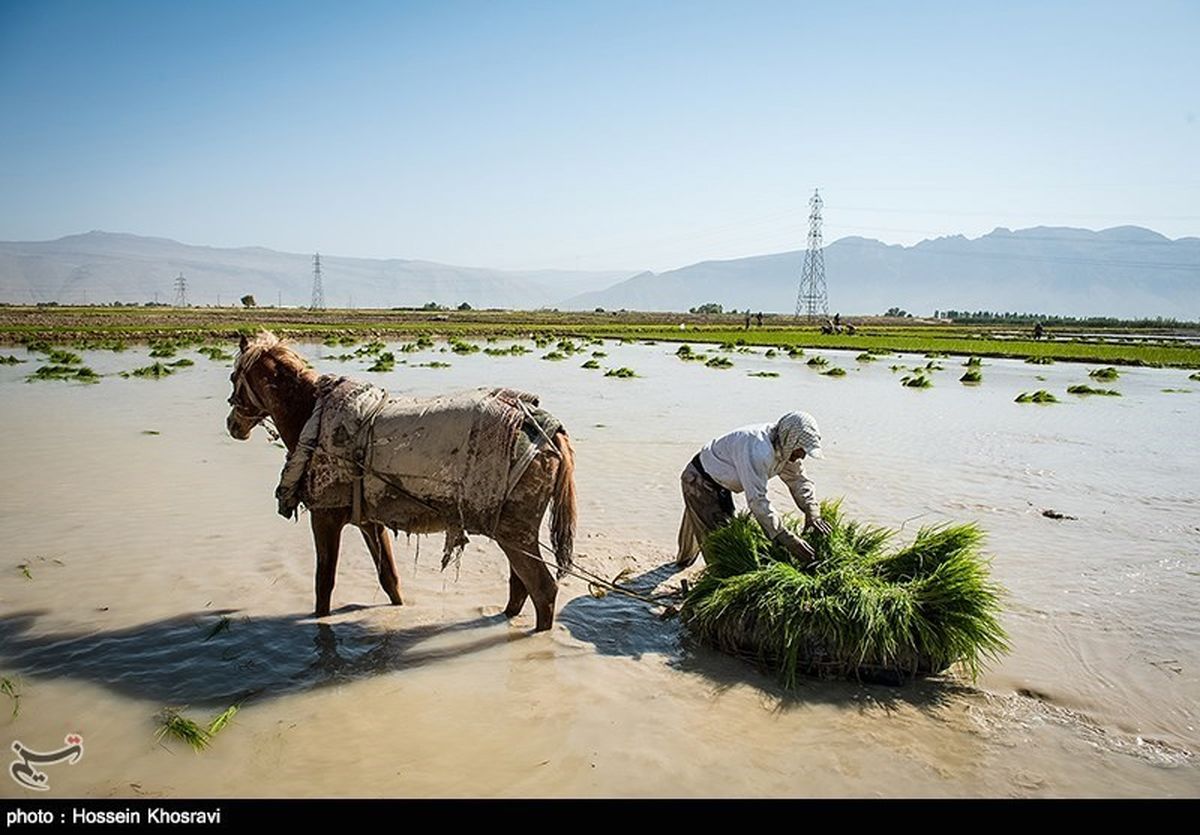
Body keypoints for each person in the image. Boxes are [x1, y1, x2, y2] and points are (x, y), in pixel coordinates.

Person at [675, 411, 831, 568]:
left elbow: (798, 480)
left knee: (701, 521)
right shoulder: (758, 450)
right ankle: (710, 582)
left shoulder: (785, 448)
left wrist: (811, 510)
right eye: (801, 450)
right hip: (701, 480)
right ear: (791, 440)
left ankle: (680, 563)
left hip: (716, 479)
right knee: (720, 545)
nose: (802, 456)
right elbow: (757, 500)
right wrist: (784, 536)